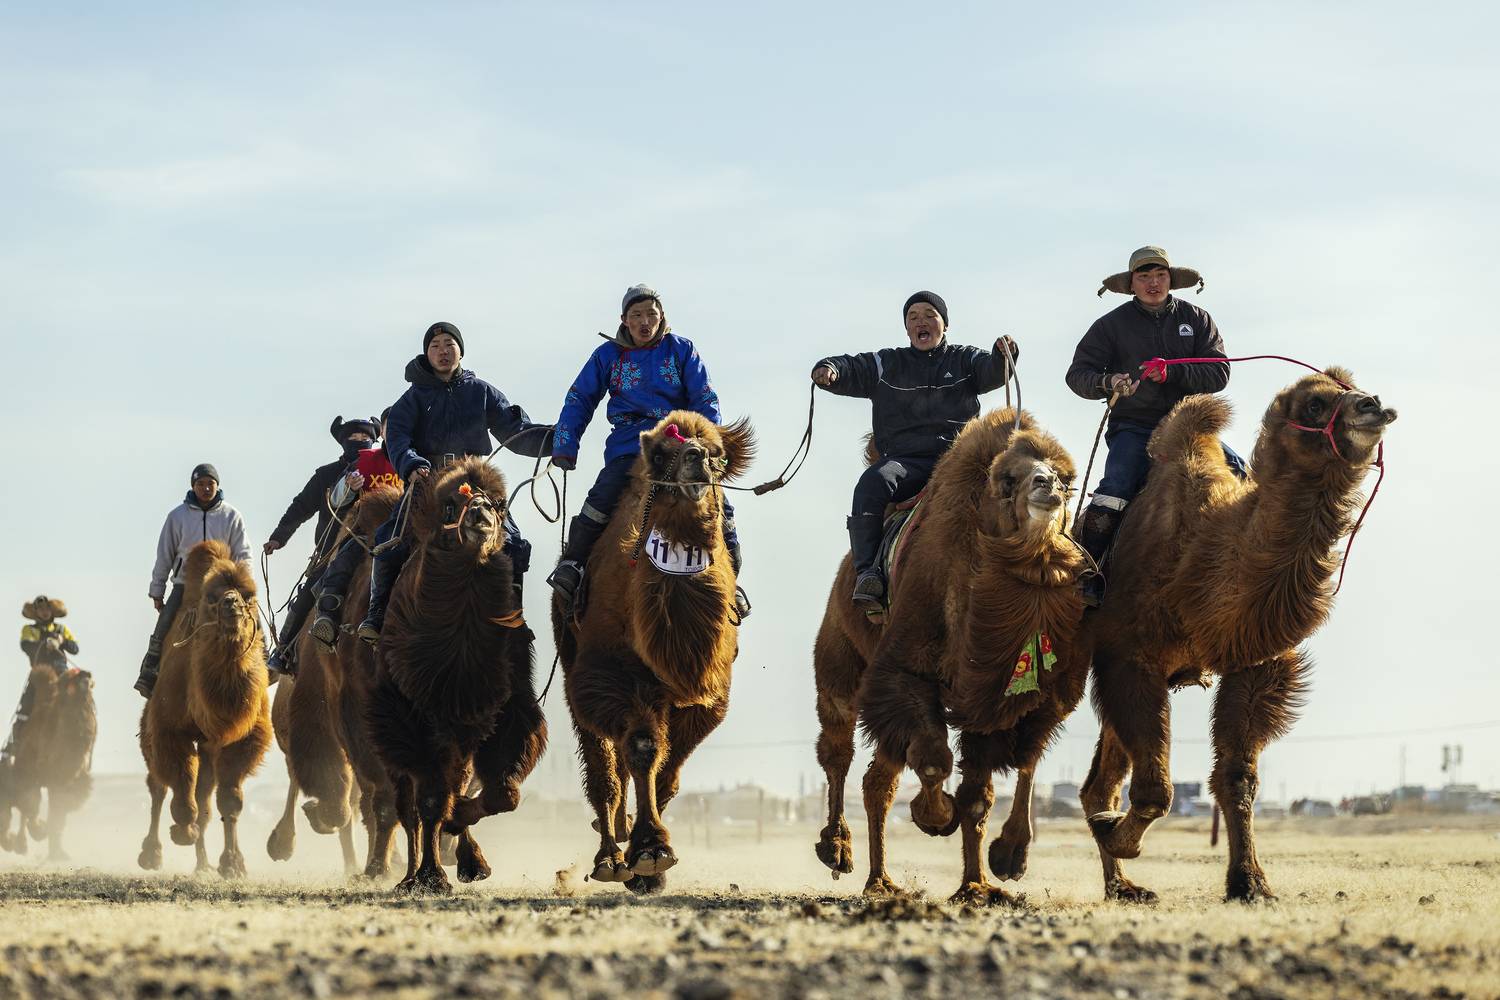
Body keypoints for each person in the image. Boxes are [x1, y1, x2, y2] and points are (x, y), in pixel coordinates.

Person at [546, 284, 749, 619]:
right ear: (624, 320)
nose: (644, 321)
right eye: (636, 315)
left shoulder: (681, 350)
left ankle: (731, 579)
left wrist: (711, 442)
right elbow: (580, 398)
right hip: (632, 445)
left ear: (661, 317)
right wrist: (565, 444)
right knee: (604, 493)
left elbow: (705, 398)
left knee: (719, 503)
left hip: (681, 445)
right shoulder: (607, 356)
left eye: (650, 314)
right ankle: (575, 564)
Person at [812, 291, 1019, 609]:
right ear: (907, 328)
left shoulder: (965, 359)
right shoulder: (888, 363)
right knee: (872, 483)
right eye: (913, 317)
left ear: (944, 325)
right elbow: (852, 367)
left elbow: (992, 370)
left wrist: (1003, 354)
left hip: (961, 462)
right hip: (907, 464)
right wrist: (829, 369)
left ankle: (1028, 569)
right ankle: (868, 574)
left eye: (929, 315)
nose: (921, 321)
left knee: (1017, 484)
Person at [1066, 245, 1247, 605]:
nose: (1153, 283)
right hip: (1134, 426)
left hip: (1190, 427)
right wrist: (1108, 382)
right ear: (1131, 283)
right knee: (1114, 489)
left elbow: (1219, 372)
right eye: (1144, 276)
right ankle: (1085, 574)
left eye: (1159, 275)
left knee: (1241, 475)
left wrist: (1174, 371)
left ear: (1171, 280)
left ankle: (1248, 568)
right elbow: (1077, 375)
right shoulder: (1110, 326)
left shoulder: (1197, 319)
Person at [356, 322, 554, 644]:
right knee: (388, 539)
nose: (443, 351)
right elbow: (397, 438)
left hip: (471, 481)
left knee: (514, 543)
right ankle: (377, 614)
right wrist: (411, 464)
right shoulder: (413, 398)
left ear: (460, 349)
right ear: (427, 353)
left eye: (449, 344)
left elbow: (516, 431)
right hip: (427, 480)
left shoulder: (482, 392)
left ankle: (511, 615)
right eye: (435, 345)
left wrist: (556, 439)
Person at [262, 415, 380, 674]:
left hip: (379, 549)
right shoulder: (326, 475)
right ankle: (283, 649)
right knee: (308, 595)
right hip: (331, 553)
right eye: (353, 438)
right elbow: (301, 507)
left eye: (366, 438)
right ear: (342, 442)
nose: (360, 442)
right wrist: (278, 537)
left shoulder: (386, 471)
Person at [134, 464, 251, 697]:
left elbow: (243, 553)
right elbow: (164, 554)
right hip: (185, 584)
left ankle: (265, 660)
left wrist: (244, 585)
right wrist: (157, 590)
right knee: (165, 624)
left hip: (223, 585)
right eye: (201, 484)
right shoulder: (177, 516)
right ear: (193, 486)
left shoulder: (231, 516)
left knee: (250, 619)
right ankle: (150, 670)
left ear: (217, 485)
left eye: (210, 483)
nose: (206, 488)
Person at [304, 408, 403, 654]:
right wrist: (350, 486)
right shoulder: (365, 461)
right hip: (368, 529)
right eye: (391, 426)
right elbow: (337, 498)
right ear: (383, 432)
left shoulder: (418, 460)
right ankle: (327, 613)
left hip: (406, 529)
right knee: (343, 560)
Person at [2, 596, 79, 767]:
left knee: (77, 698)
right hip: (39, 675)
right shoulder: (28, 629)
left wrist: (61, 641)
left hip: (61, 673)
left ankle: (80, 735)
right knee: (26, 704)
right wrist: (44, 645)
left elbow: (75, 648)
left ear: (52, 611)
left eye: (47, 608)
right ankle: (14, 743)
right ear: (35, 612)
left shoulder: (61, 629)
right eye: (41, 609)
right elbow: (26, 646)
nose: (44, 612)